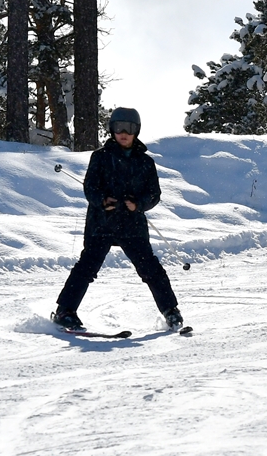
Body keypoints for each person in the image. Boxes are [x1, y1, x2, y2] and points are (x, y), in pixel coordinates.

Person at [52, 108, 184, 331]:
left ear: (137, 131)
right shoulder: (100, 157)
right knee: (87, 267)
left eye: (129, 128)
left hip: (132, 225)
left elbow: (154, 194)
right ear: (111, 130)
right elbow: (90, 188)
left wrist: (139, 204)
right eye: (118, 127)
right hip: (101, 223)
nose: (123, 132)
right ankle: (65, 311)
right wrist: (102, 200)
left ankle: (170, 310)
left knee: (150, 269)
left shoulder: (145, 163)